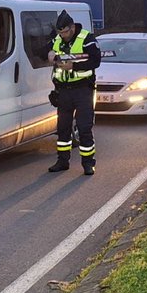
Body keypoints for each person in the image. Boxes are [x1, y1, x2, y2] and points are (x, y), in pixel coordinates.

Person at [47, 10, 101, 175]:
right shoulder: (57, 39)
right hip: (63, 91)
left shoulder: (87, 39)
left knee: (84, 128)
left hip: (83, 90)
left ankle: (88, 163)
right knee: (63, 128)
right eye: (60, 32)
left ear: (72, 28)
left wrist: (74, 66)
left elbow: (95, 61)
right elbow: (43, 49)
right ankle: (62, 161)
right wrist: (48, 53)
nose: (62, 36)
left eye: (65, 32)